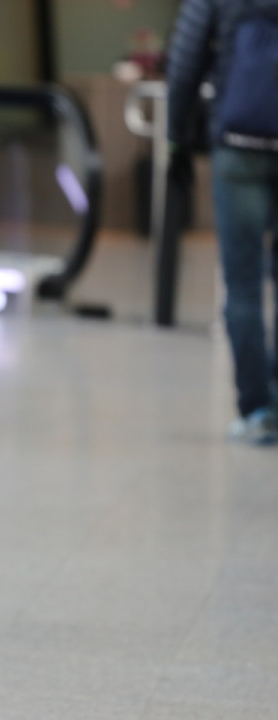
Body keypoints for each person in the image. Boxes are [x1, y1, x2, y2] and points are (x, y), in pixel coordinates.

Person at [166, 0, 278, 444]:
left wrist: (178, 139)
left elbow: (186, 58)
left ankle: (257, 411)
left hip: (237, 144)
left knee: (243, 283)